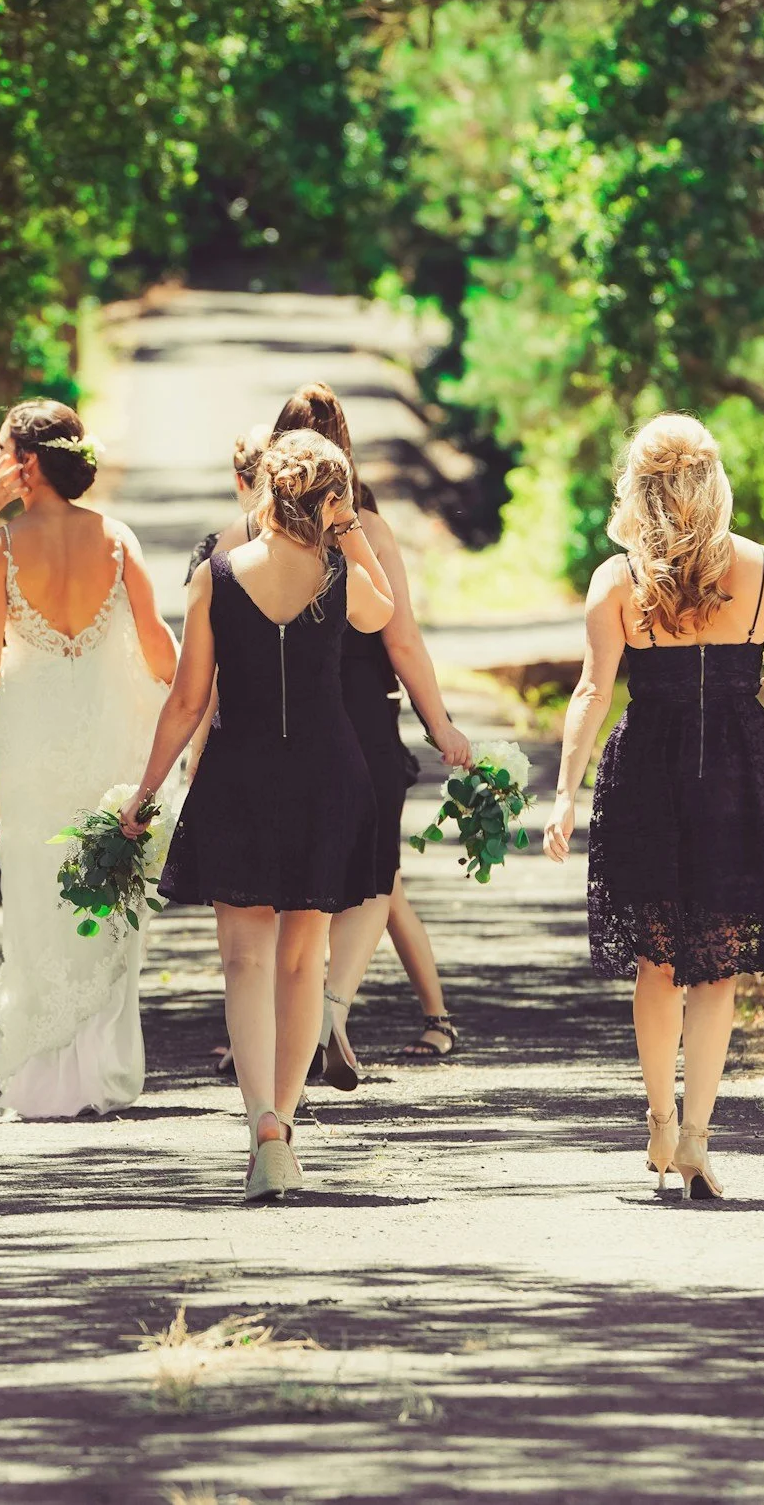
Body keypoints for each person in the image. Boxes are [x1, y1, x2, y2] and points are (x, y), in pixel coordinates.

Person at [122, 430, 395, 1199]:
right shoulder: (341, 570)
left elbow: (187, 698)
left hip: (240, 773)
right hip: (325, 774)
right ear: (331, 498)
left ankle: (263, 1126)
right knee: (303, 958)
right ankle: (287, 1132)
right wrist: (349, 532)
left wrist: (145, 791)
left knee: (243, 961)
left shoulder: (214, 574)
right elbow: (384, 614)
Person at [542, 414, 764, 1199]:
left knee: (658, 963)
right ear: (714, 483)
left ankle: (660, 1119)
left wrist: (564, 796)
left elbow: (592, 693)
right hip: (736, 778)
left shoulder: (615, 581)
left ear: (640, 487)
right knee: (716, 969)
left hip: (647, 777)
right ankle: (697, 1136)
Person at [0, 399, 177, 1117]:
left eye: (0, 450)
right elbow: (157, 648)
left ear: (26, 463)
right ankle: (101, 1069)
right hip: (106, 733)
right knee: (109, 881)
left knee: (37, 893)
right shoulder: (116, 537)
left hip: (31, 738)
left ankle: (44, 1076)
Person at [265, 386, 474, 1078]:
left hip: (281, 717)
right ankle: (328, 1005)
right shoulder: (369, 533)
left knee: (290, 880)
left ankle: (275, 1021)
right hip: (362, 715)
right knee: (373, 874)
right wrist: (439, 723)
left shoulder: (249, 539)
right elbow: (403, 640)